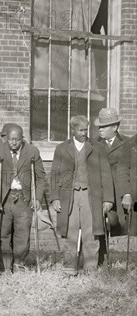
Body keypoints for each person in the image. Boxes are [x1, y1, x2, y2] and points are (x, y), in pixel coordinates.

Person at [50, 116, 114, 275]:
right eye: (81, 130)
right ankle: (69, 267)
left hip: (91, 197)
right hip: (68, 197)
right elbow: (54, 175)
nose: (85, 133)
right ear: (72, 130)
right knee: (69, 232)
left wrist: (107, 199)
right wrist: (55, 197)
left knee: (91, 232)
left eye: (86, 129)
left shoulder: (97, 148)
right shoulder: (61, 148)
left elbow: (106, 175)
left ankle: (90, 267)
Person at [0, 124, 46, 271]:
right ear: (6, 138)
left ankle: (19, 264)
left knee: (22, 233)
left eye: (17, 140)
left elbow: (40, 177)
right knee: (3, 232)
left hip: (23, 198)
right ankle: (5, 266)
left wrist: (37, 198)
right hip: (4, 198)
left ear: (22, 139)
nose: (13, 143)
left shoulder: (32, 151)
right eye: (10, 139)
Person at [94, 108, 133, 239]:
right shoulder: (93, 144)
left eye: (104, 126)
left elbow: (131, 170)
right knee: (99, 226)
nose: (100, 129)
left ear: (115, 127)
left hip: (120, 192)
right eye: (99, 126)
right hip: (101, 192)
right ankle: (101, 257)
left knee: (120, 225)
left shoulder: (128, 143)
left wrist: (127, 193)